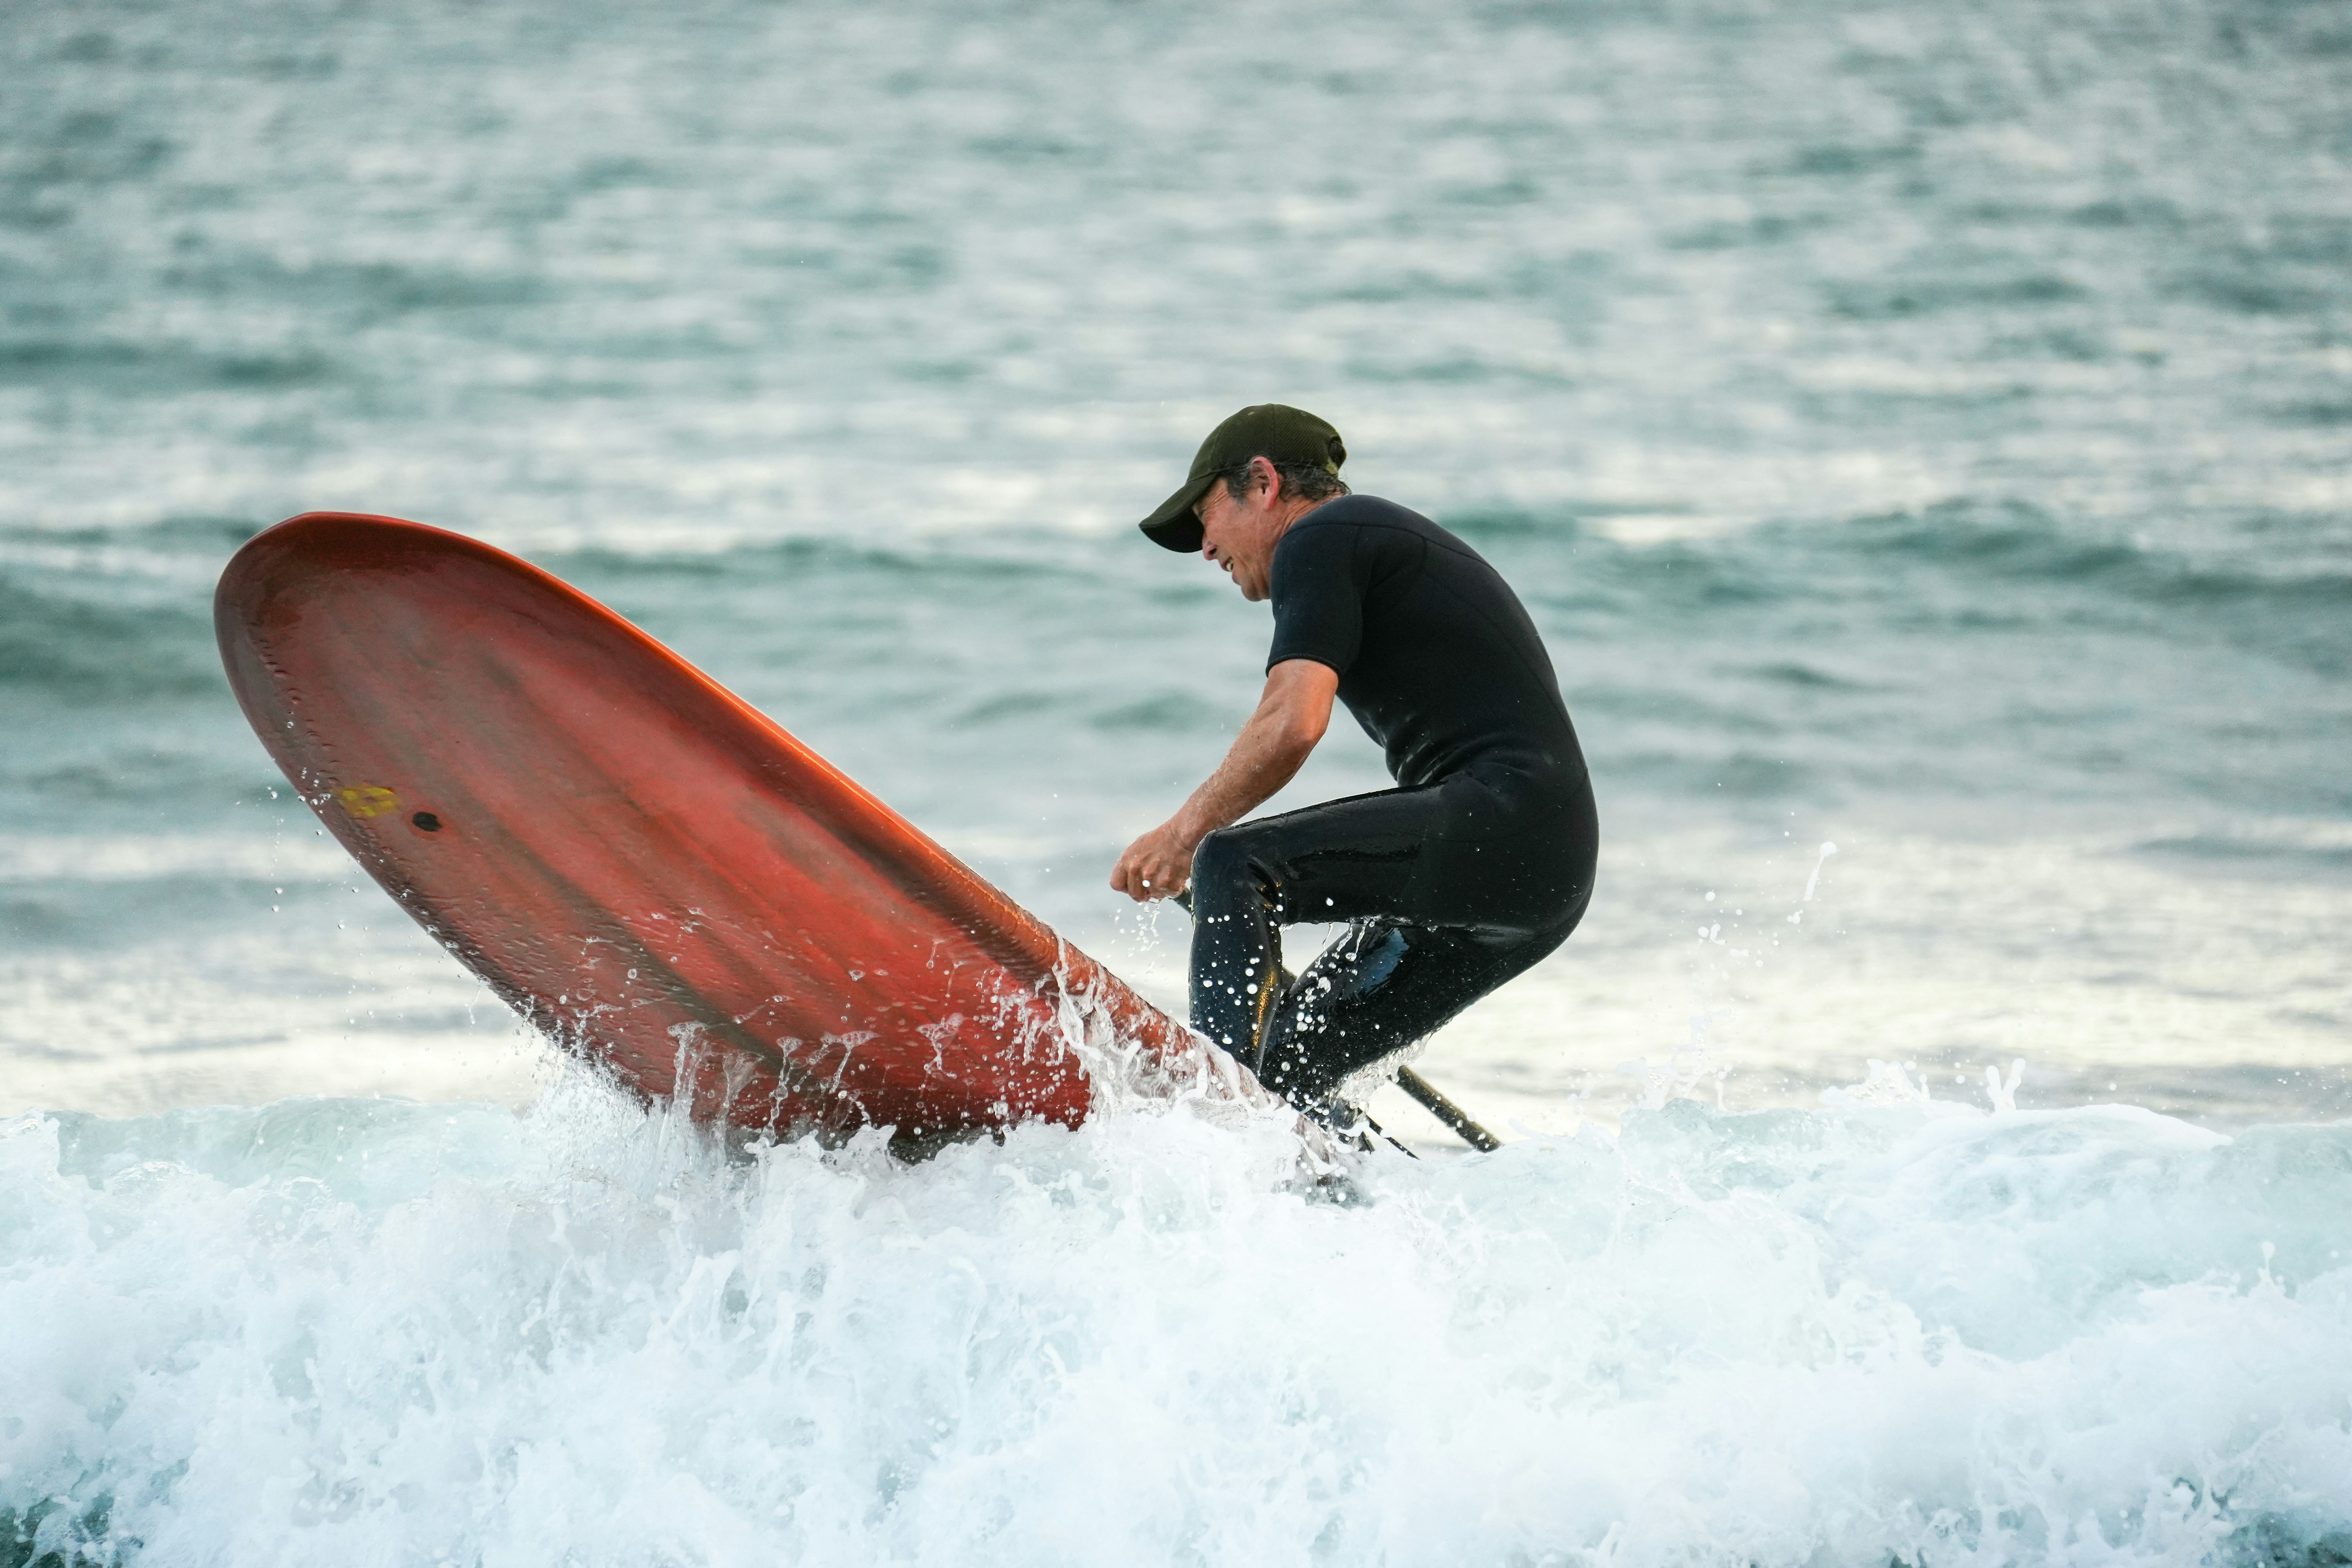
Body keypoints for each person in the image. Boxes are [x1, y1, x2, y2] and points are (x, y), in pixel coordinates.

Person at [1109, 404, 1598, 1121]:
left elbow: (1293, 722)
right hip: (1545, 874)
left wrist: (1182, 839)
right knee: (1289, 1069)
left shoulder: (1323, 535)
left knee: (1235, 865)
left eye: (1205, 516)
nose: (1205, 547)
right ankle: (1327, 1205)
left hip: (1508, 816)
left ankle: (1212, 1134)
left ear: (1264, 483)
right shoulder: (1367, 542)